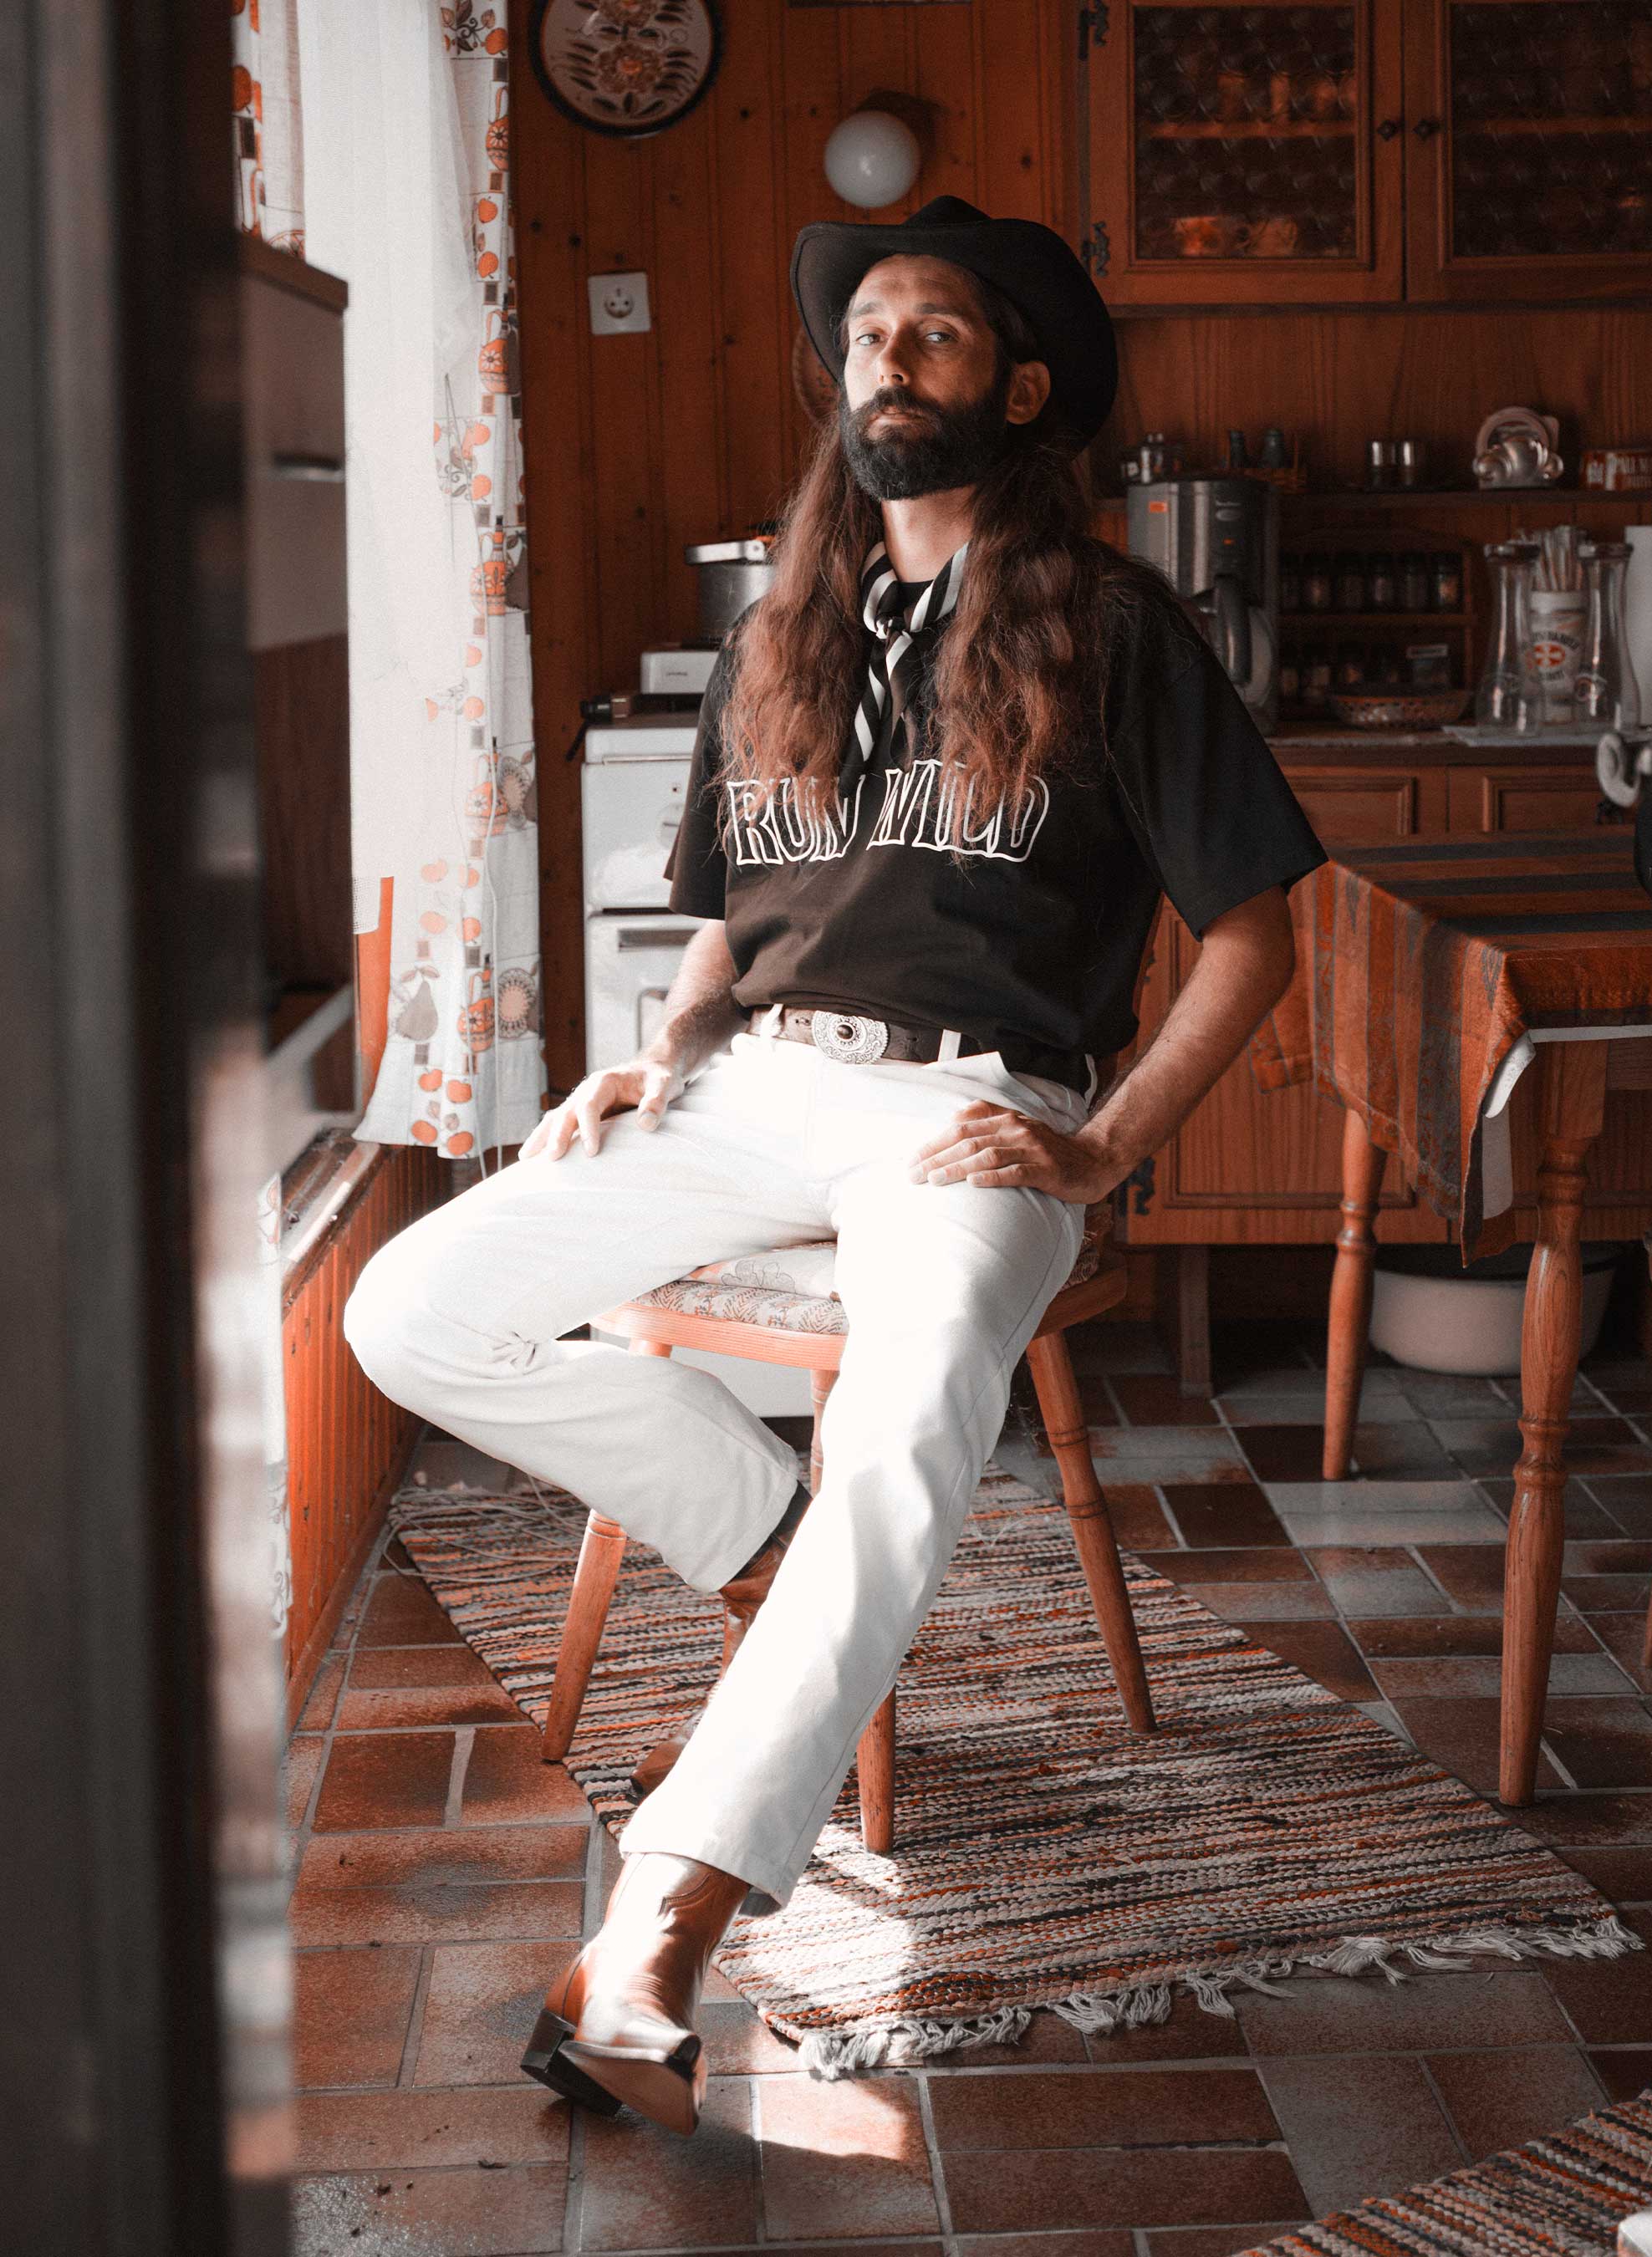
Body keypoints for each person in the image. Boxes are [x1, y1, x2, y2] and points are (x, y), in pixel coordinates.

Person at [342, 194, 1324, 2138]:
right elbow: (733, 922)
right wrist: (656, 1060)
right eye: (867, 331)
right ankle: (774, 1544)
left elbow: (1254, 935)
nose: (886, 358)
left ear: (1016, 389)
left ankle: (660, 1938)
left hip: (979, 1105)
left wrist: (1101, 1147)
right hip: (756, 1085)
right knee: (410, 1309)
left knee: (911, 1424)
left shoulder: (1114, 629)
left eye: (931, 330)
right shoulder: (779, 633)